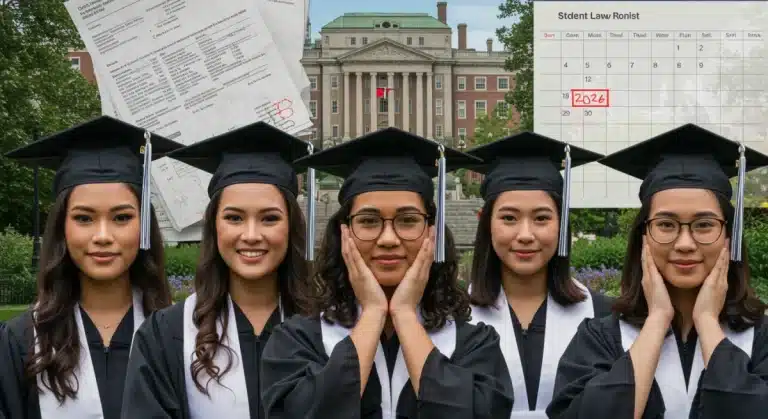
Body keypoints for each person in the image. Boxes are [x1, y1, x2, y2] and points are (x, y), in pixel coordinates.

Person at [260, 128, 515, 419]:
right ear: (345, 233)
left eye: (408, 220)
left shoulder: (474, 345)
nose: (388, 239)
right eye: (368, 221)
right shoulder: (296, 341)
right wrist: (373, 312)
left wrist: (405, 313)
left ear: (431, 233)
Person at [547, 123, 768, 419]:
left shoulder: (762, 339)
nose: (685, 243)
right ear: (644, 237)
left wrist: (707, 322)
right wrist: (657, 320)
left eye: (704, 225)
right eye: (666, 225)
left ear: (730, 236)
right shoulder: (600, 338)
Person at [120, 121, 313, 418]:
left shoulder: (329, 330)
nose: (251, 234)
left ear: (292, 227)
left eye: (270, 218)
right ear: (214, 226)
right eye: (234, 218)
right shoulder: (165, 335)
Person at [0, 116, 179, 419]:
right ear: (62, 229)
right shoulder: (21, 341)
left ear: (144, 227)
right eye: (84, 218)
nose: (103, 236)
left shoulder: (182, 337)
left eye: (122, 218)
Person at [461, 132, 614, 417]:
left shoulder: (604, 317)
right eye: (509, 218)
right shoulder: (452, 318)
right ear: (487, 224)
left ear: (561, 224)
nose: (526, 235)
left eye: (542, 218)